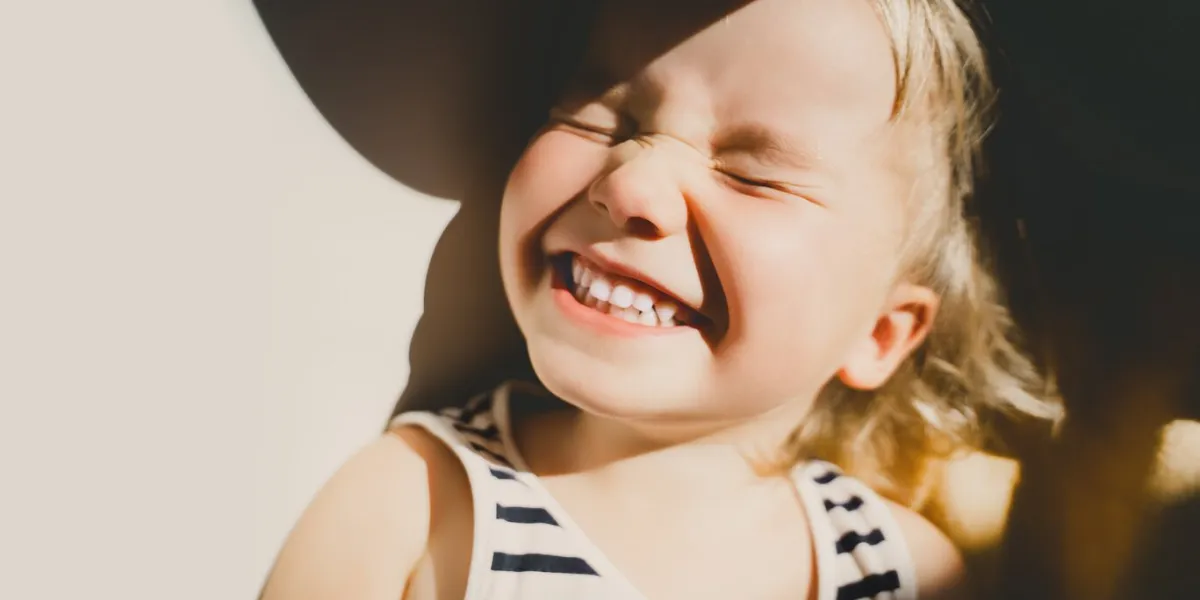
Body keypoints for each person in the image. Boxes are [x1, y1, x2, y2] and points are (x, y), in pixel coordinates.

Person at [260, 0, 1058, 598]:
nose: (632, 182)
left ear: (882, 335)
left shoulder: (902, 569)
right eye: (601, 118)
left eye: (754, 174)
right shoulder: (418, 502)